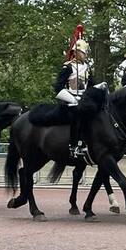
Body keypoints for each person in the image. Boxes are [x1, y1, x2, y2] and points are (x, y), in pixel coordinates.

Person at [53, 24, 95, 159]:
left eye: (86, 52)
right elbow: (58, 87)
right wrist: (73, 99)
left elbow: (91, 86)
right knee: (77, 115)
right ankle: (74, 146)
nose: (85, 54)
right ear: (76, 52)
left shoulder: (87, 68)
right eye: (83, 52)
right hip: (69, 101)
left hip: (84, 100)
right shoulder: (68, 67)